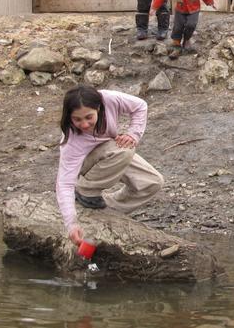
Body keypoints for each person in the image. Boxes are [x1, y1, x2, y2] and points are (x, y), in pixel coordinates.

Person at [55, 85, 164, 246]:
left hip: (111, 152)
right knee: (125, 150)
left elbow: (140, 105)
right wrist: (71, 224)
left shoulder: (109, 99)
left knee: (152, 182)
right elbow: (64, 183)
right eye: (77, 119)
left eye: (88, 117)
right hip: (88, 166)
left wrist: (133, 133)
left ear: (98, 108)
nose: (84, 125)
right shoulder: (71, 140)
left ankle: (107, 210)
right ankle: (86, 192)